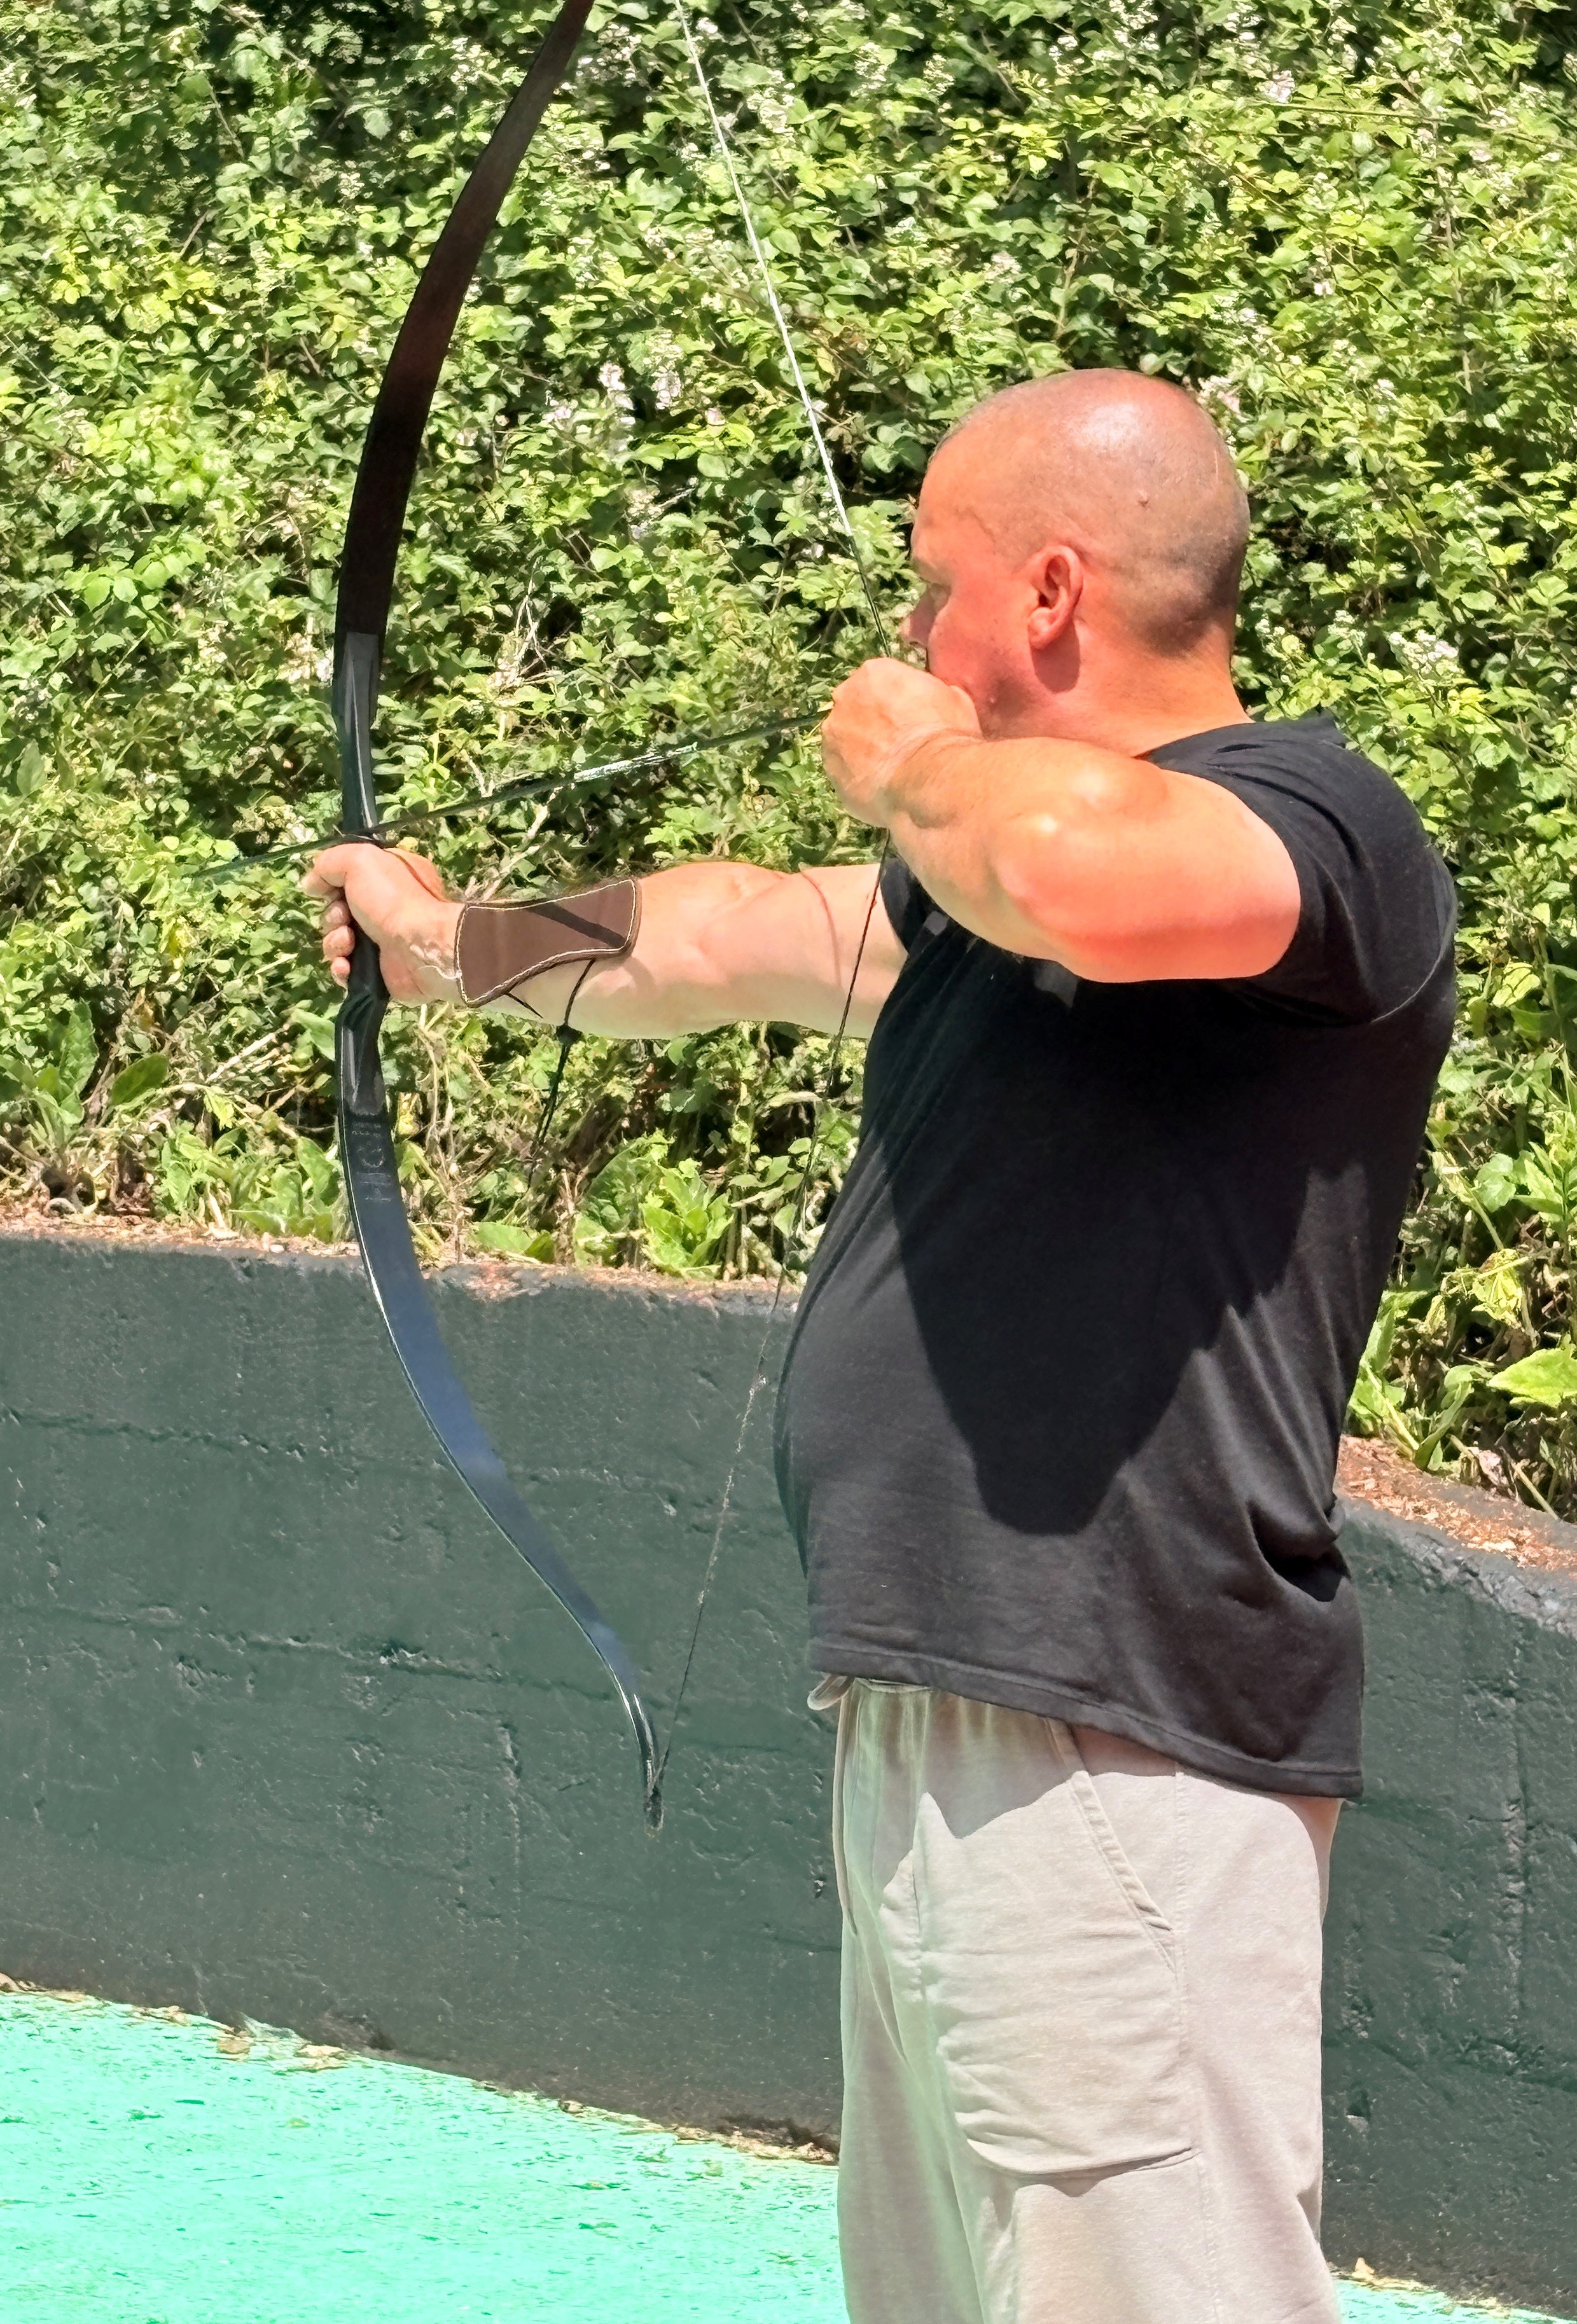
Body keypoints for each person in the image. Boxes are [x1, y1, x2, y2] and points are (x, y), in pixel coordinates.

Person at [307, 368, 1456, 2324]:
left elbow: (1083, 871)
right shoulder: (985, 886)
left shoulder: (1316, 831)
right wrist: (451, 942)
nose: (911, 636)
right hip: (949, 1694)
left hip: (1129, 1717)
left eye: (936, 587)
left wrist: (917, 765)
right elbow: (734, 931)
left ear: (1049, 597)